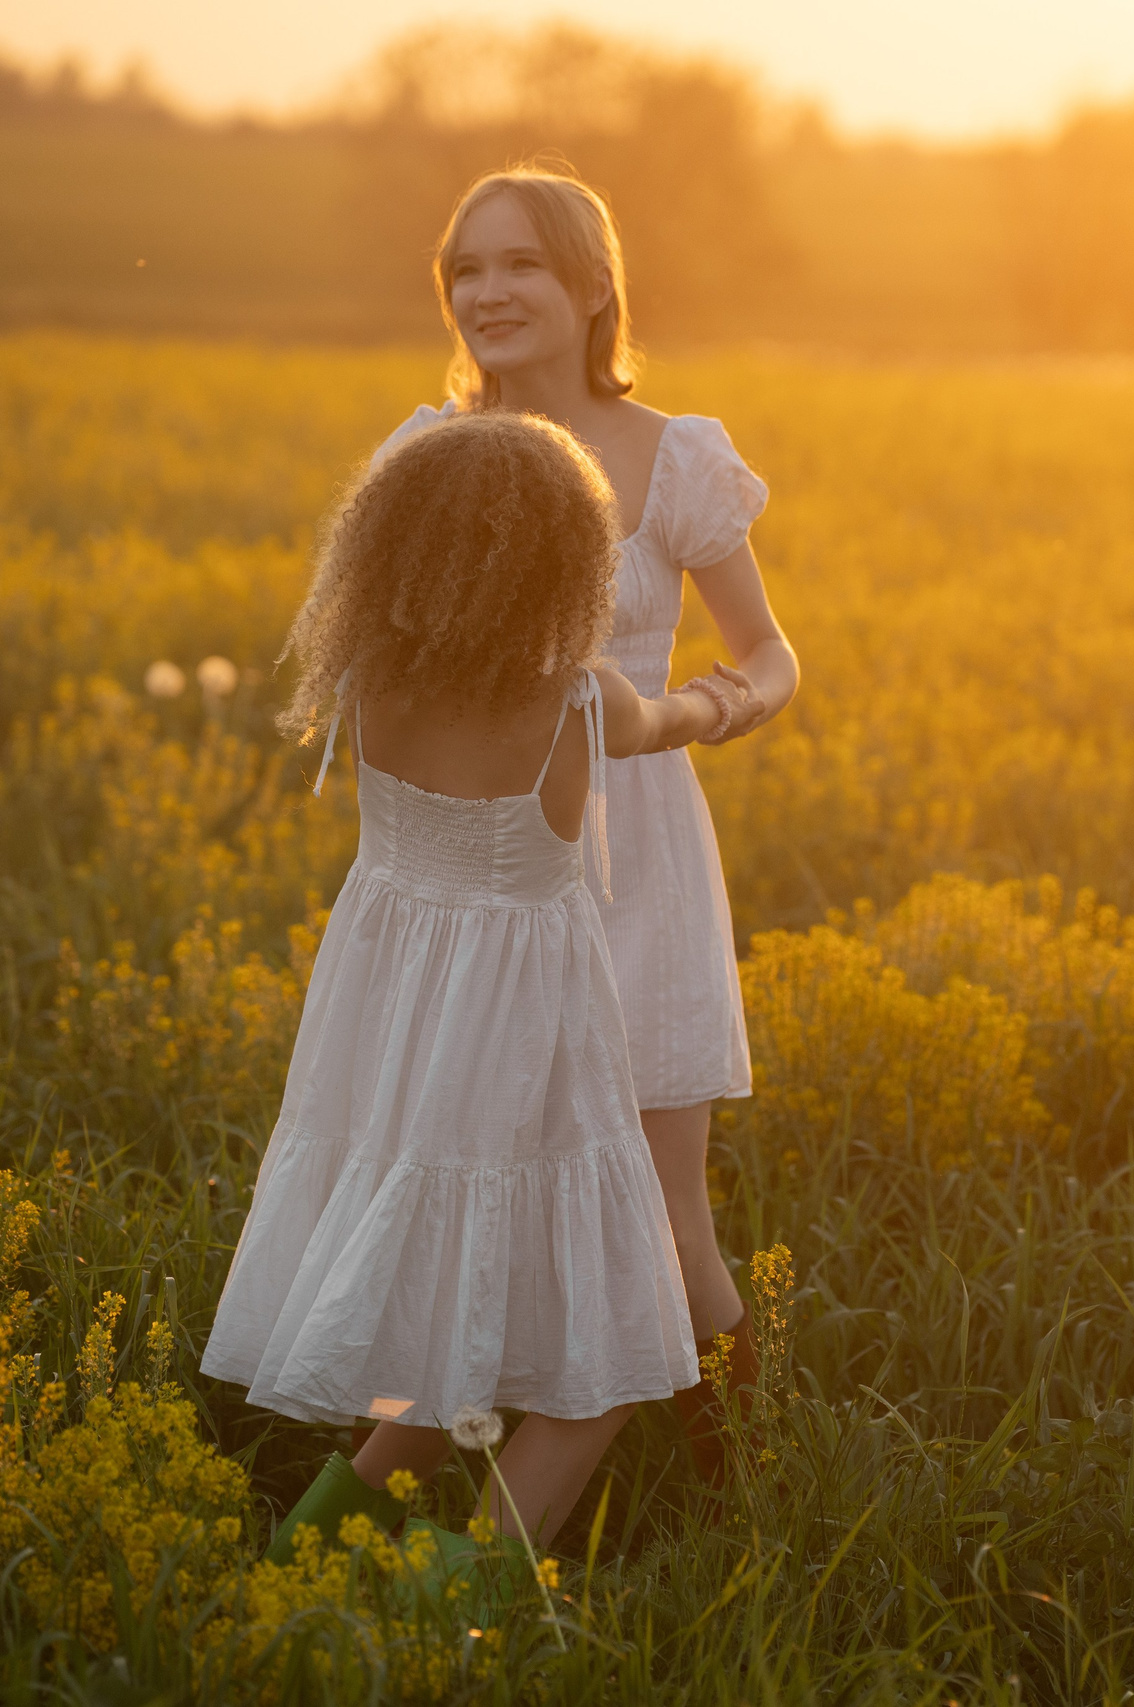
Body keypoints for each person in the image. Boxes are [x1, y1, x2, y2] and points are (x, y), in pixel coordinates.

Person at [200, 408, 734, 1558]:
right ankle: (464, 1602)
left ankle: (308, 1563)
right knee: (619, 1350)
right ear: (564, 562)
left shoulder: (369, 682)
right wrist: (721, 701)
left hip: (397, 1035)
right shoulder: (577, 697)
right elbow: (662, 721)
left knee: (447, 1330)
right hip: (531, 1039)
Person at [373, 167, 799, 1477]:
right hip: (495, 864)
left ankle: (740, 1478)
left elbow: (770, 652)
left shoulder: (672, 455)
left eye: (521, 265)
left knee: (667, 1219)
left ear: (593, 284)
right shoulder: (425, 455)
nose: (488, 291)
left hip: (642, 857)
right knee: (480, 1210)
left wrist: (694, 713)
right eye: (466, 269)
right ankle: (421, 1484)